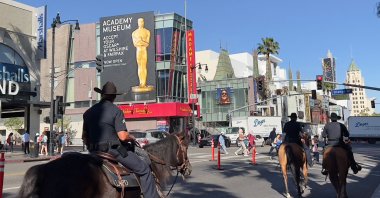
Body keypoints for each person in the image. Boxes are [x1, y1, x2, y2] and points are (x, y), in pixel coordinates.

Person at [82, 81, 160, 198]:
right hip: (113, 151)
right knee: (144, 169)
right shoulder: (116, 111)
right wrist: (131, 137)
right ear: (114, 97)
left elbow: (84, 138)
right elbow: (122, 136)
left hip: (94, 152)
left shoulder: (88, 112)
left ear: (102, 95)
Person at [132, 18, 153, 92]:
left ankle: (143, 83)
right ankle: (141, 82)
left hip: (144, 49)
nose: (141, 23)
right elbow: (135, 43)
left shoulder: (147, 32)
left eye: (142, 21)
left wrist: (141, 41)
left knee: (144, 65)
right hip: (138, 49)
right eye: (139, 21)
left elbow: (147, 43)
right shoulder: (134, 33)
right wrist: (140, 42)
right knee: (139, 66)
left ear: (144, 22)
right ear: (137, 23)